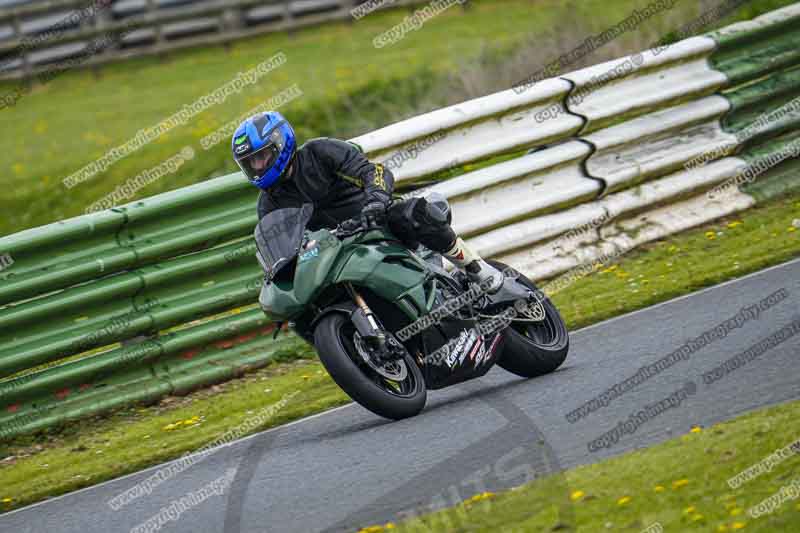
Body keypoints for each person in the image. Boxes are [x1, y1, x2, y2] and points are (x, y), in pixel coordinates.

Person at [232, 111, 504, 293]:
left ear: (280, 143)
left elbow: (374, 171)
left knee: (411, 212)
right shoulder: (268, 204)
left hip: (375, 223)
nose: (257, 167)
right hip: (335, 253)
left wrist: (375, 203)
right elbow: (279, 246)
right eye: (250, 163)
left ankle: (476, 268)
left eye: (261, 157)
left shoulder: (320, 152)